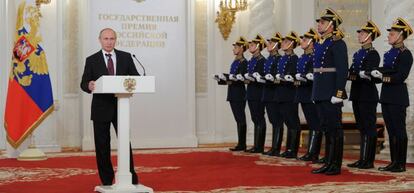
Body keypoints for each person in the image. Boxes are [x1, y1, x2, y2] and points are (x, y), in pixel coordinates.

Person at [80, 28, 139, 185]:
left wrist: (136, 83)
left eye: (112, 38)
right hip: (100, 108)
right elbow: (84, 83)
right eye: (106, 38)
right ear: (100, 40)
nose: (109, 41)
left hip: (122, 106)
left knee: (125, 143)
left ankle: (131, 179)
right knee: (102, 146)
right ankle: (106, 181)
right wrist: (89, 85)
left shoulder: (126, 57)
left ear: (116, 40)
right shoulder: (91, 60)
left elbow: (136, 78)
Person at [372, 17, 413, 172]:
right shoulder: (390, 53)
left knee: (399, 130)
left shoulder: (406, 54)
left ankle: (400, 163)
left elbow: (400, 76)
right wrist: (375, 72)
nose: (388, 36)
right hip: (387, 96)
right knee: (391, 130)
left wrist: (382, 76)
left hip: (397, 97)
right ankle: (393, 162)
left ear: (400, 36)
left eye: (392, 34)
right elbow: (387, 69)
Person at [311, 8, 348, 175]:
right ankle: (328, 162)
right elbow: (318, 70)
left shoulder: (337, 43)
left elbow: (342, 70)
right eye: (319, 22)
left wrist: (339, 93)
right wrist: (315, 93)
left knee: (335, 129)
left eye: (323, 22)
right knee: (326, 128)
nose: (319, 24)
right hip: (320, 91)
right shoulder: (320, 43)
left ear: (332, 26)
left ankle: (335, 164)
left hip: (331, 92)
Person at [347, 21, 381, 169]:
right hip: (357, 93)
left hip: (367, 95)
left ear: (370, 36)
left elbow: (369, 74)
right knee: (361, 127)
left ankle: (369, 160)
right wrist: (358, 75)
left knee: (369, 127)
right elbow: (351, 73)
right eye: (360, 33)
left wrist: (358, 74)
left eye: (363, 33)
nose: (359, 35)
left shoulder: (373, 54)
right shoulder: (358, 53)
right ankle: (362, 159)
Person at [214, 37, 249, 151]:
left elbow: (241, 79)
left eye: (236, 47)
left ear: (242, 49)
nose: (233, 49)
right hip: (232, 92)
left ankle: (242, 144)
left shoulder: (244, 62)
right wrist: (221, 79)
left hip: (239, 93)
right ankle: (240, 143)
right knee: (238, 119)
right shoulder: (235, 61)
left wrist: (228, 78)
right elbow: (232, 78)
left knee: (241, 118)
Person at [295, 28, 322, 162]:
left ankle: (313, 153)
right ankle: (310, 152)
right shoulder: (303, 57)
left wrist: (305, 76)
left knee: (315, 124)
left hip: (311, 92)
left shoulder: (313, 57)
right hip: (303, 93)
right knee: (311, 123)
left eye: (305, 40)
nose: (302, 41)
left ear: (312, 43)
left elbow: (314, 74)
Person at [275, 31, 301, 159]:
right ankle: (288, 148)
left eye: (285, 42)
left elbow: (294, 77)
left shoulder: (294, 58)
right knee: (287, 122)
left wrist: (286, 77)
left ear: (291, 45)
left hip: (290, 94)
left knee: (293, 122)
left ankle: (293, 149)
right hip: (281, 93)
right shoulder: (282, 58)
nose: (283, 44)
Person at [261, 32, 285, 156]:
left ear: (276, 45)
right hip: (267, 92)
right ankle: (274, 147)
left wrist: (272, 79)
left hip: (275, 92)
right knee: (272, 120)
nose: (268, 45)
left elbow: (279, 77)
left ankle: (276, 147)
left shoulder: (279, 59)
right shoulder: (269, 59)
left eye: (271, 43)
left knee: (277, 121)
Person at [244, 35, 267, 153]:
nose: (250, 47)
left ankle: (260, 146)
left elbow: (262, 76)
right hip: (251, 92)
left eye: (252, 45)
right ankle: (256, 145)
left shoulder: (262, 60)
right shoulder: (252, 60)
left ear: (258, 47)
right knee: (254, 118)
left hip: (258, 92)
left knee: (259, 118)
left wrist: (254, 78)